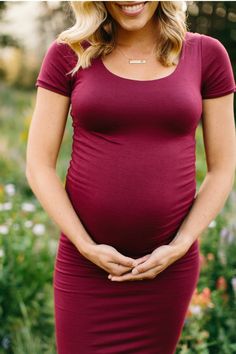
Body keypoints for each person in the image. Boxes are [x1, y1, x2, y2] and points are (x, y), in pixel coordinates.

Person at [26, 1, 236, 353]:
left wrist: (180, 245)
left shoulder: (207, 55)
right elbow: (38, 164)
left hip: (168, 268)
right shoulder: (70, 52)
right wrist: (85, 245)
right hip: (86, 267)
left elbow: (222, 168)